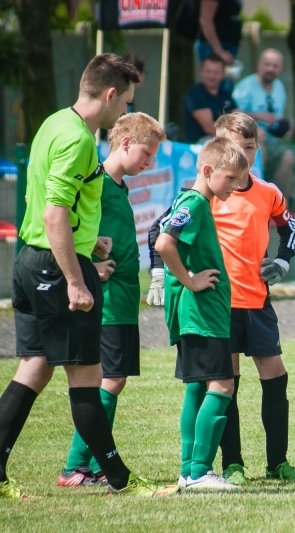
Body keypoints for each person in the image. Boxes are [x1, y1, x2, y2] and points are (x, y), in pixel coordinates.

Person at [0, 53, 175, 499]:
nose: (126, 110)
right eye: (127, 101)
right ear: (111, 94)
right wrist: (76, 279)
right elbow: (54, 211)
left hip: (30, 260)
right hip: (56, 269)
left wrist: (87, 240)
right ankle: (120, 479)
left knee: (34, 369)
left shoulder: (53, 123)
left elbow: (47, 201)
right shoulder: (78, 139)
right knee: (87, 378)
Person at [148, 112, 295, 484]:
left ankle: (277, 463)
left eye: (250, 148)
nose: (243, 157)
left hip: (256, 301)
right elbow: (161, 232)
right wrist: (162, 275)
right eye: (235, 148)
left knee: (275, 377)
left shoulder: (267, 191)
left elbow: (292, 227)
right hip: (217, 304)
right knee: (224, 383)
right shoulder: (206, 193)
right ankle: (231, 464)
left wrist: (282, 261)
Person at [57, 112, 166, 488]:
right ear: (125, 143)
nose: (149, 162)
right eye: (147, 153)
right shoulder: (97, 182)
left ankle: (93, 464)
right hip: (107, 299)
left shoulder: (119, 186)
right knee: (109, 380)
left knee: (111, 380)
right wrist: (89, 266)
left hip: (123, 298)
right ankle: (77, 465)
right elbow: (64, 224)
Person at [154, 137, 249, 491]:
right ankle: (198, 471)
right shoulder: (194, 202)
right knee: (223, 385)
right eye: (230, 178)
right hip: (202, 314)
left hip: (201, 314)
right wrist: (190, 281)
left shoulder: (194, 202)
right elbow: (163, 243)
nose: (235, 186)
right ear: (207, 170)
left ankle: (188, 470)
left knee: (197, 387)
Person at [233, 48, 295, 203]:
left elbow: (278, 116)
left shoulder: (279, 87)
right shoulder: (245, 86)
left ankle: (278, 202)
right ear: (259, 65)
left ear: (281, 68)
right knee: (260, 150)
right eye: (267, 65)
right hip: (250, 139)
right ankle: (254, 199)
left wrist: (286, 127)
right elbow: (234, 114)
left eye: (275, 66)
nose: (270, 69)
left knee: (289, 156)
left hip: (274, 140)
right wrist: (258, 120)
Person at [183, 54, 237, 144]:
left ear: (223, 74)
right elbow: (210, 127)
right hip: (201, 143)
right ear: (201, 72)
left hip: (226, 139)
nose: (212, 76)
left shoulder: (225, 94)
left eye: (216, 72)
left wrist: (254, 129)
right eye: (208, 71)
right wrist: (236, 135)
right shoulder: (195, 95)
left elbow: (239, 115)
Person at [197, 0, 242, 68]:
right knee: (214, 73)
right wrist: (219, 51)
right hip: (214, 47)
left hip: (227, 46)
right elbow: (205, 21)